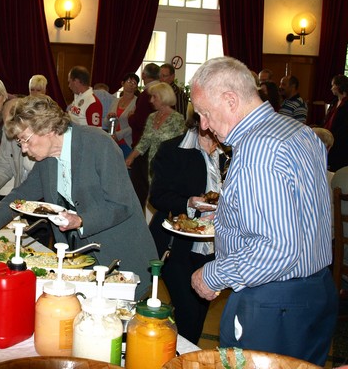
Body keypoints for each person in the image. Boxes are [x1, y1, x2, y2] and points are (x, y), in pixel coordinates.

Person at [189, 56, 336, 366]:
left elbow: (276, 248)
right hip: (316, 291)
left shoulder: (259, 149)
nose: (203, 124)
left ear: (230, 100)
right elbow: (300, 214)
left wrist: (213, 275)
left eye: (204, 113)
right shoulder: (299, 131)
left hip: (273, 302)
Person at [0, 95, 158, 300]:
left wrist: (80, 220)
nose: (24, 149)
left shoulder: (98, 144)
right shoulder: (48, 158)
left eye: (26, 140)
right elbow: (22, 194)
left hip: (121, 254)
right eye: (20, 142)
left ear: (48, 128)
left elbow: (122, 205)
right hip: (82, 258)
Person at [148, 112, 228, 344]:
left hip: (213, 247)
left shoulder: (228, 153)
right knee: (189, 313)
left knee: (199, 314)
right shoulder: (173, 150)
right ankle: (178, 356)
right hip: (177, 245)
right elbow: (157, 196)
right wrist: (189, 203)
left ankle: (180, 353)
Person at [125, 82, 185, 180]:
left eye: (154, 97)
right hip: (153, 166)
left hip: (170, 167)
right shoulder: (152, 117)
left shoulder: (177, 119)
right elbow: (144, 141)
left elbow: (181, 146)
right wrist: (131, 157)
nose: (151, 100)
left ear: (163, 97)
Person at [127, 63, 160, 207]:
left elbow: (141, 123)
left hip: (143, 148)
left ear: (144, 75)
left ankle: (139, 218)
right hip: (156, 148)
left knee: (139, 188)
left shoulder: (147, 93)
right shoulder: (163, 91)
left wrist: (131, 117)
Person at [106, 72, 139, 158]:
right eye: (129, 81)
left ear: (136, 87)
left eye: (134, 83)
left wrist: (119, 135)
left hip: (128, 142)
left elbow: (136, 125)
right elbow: (106, 122)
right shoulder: (115, 101)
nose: (131, 84)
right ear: (122, 83)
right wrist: (109, 117)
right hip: (113, 141)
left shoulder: (137, 102)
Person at [325, 74, 348, 172]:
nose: (331, 88)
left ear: (339, 86)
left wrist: (332, 137)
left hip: (340, 143)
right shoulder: (334, 102)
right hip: (330, 139)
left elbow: (344, 126)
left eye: (333, 85)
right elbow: (327, 120)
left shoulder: (346, 104)